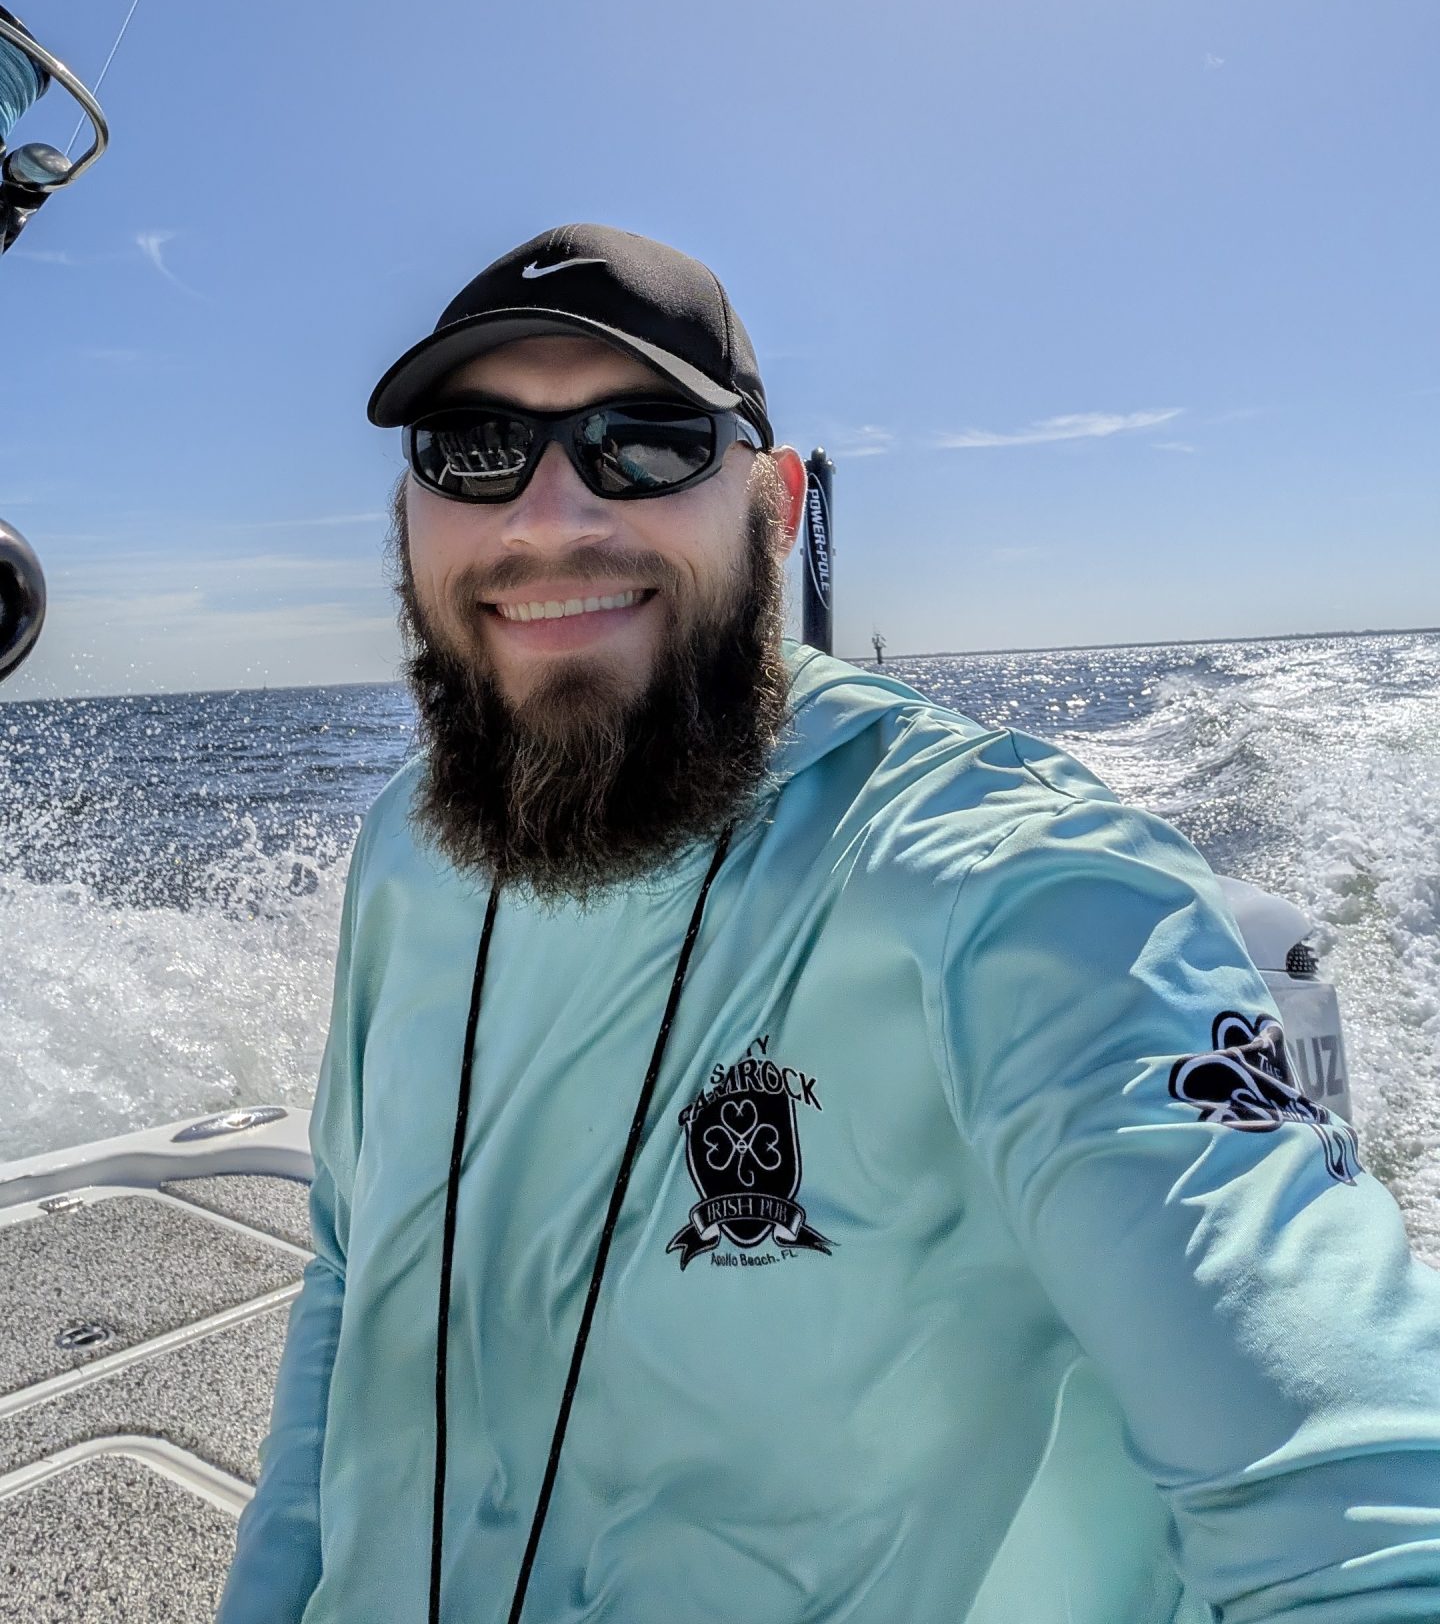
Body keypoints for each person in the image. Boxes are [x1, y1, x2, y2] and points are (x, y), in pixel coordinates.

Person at [218, 224, 1440, 1624]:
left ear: (778, 502)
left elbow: (1366, 1520)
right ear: (409, 512)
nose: (548, 516)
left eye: (651, 439)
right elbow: (347, 1283)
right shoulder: (405, 851)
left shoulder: (1014, 882)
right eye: (472, 446)